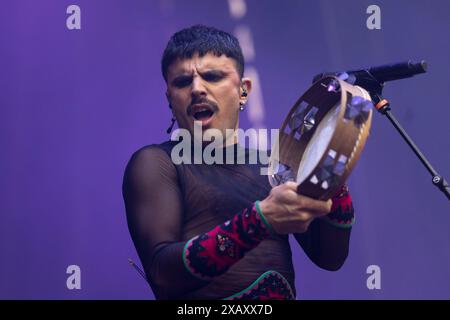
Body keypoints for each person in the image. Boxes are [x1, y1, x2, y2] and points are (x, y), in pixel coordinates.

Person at [122, 25, 354, 300]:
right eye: (183, 82)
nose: (197, 88)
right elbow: (162, 274)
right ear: (170, 99)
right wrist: (261, 219)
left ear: (243, 91)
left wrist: (332, 163)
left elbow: (330, 256)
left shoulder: (274, 167)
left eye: (212, 76)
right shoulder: (156, 163)